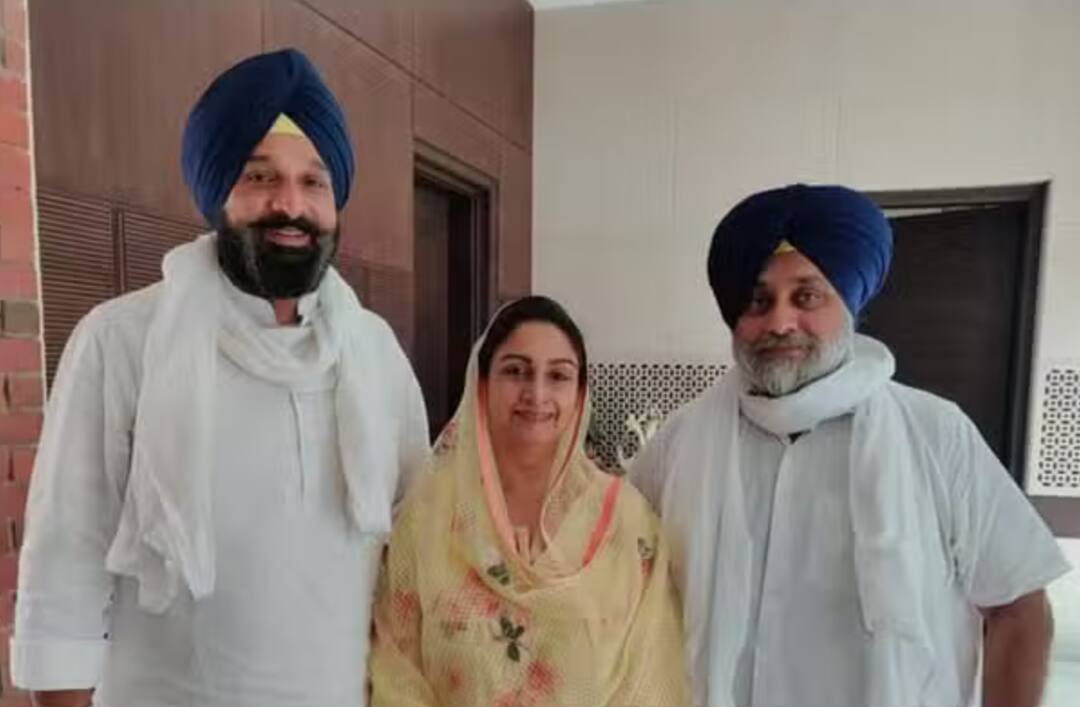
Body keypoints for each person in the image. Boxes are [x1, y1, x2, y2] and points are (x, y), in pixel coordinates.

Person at [11, 48, 429, 707]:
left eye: (314, 181)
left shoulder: (375, 353)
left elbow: (417, 548)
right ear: (217, 193)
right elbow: (64, 571)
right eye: (260, 176)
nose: (290, 204)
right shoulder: (123, 341)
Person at [629, 184, 1071, 707]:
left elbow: (1018, 606)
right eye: (758, 300)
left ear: (849, 302)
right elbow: (616, 593)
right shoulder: (678, 444)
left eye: (807, 297)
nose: (780, 322)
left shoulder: (935, 434)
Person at [369, 296, 689, 707]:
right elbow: (396, 670)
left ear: (580, 393)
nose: (536, 393)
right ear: (482, 385)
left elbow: (652, 671)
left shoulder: (626, 524)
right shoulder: (429, 516)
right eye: (515, 371)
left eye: (558, 376)